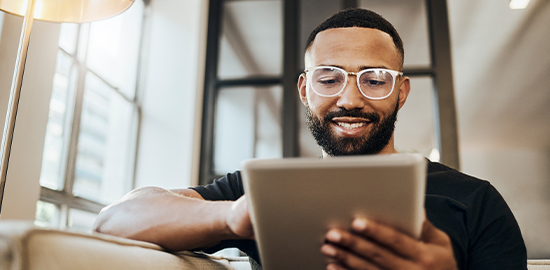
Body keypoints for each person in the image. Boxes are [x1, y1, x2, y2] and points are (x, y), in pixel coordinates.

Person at [93, 8, 527, 270]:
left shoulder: (476, 201)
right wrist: (235, 217)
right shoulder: (259, 194)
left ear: (401, 91)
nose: (350, 98)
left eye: (375, 79)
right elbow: (114, 222)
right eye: (329, 78)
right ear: (305, 89)